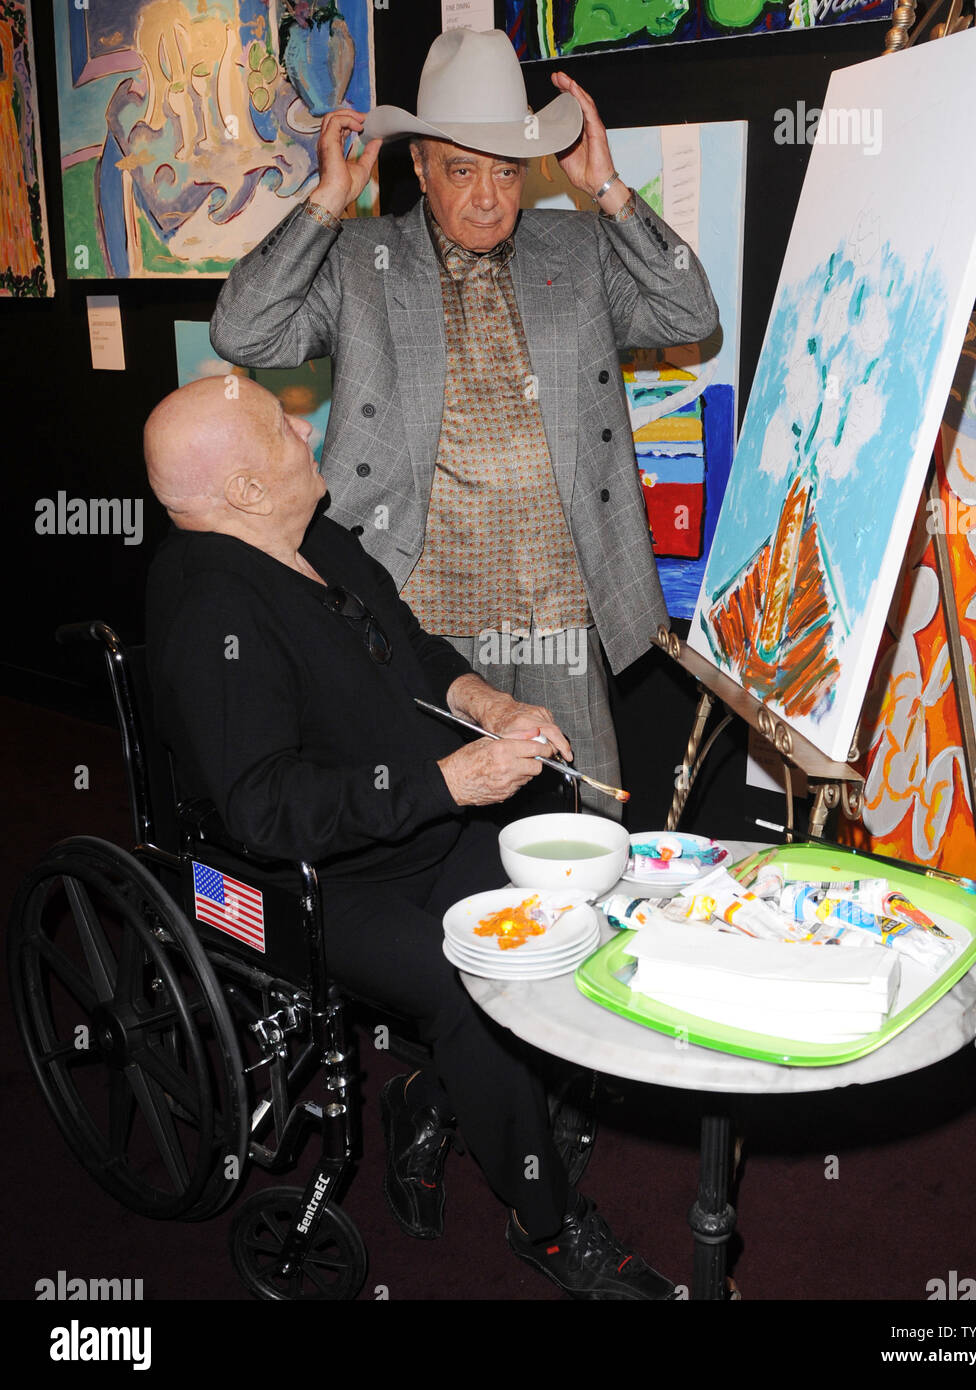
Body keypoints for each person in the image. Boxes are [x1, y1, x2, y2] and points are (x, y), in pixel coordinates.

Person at [142, 375, 679, 1300]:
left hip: (415, 830)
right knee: (476, 983)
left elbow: (415, 647)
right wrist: (452, 779)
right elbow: (264, 812)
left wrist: (492, 704)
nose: (306, 425)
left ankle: (430, 1095)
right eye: (280, 425)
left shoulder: (315, 539)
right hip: (306, 887)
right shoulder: (213, 615)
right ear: (241, 491)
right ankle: (547, 1226)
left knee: (558, 907)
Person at [210, 26, 719, 818]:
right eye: (461, 170)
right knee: (436, 828)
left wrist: (610, 187)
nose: (488, 197)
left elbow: (689, 308)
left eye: (507, 172)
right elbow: (242, 332)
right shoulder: (358, 261)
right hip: (420, 618)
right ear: (417, 166)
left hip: (558, 610)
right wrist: (325, 203)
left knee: (582, 826)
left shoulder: (577, 249)